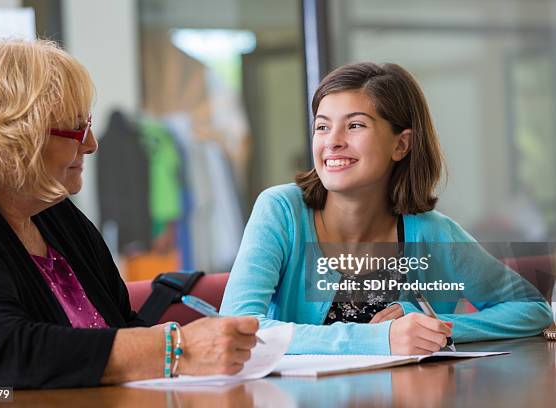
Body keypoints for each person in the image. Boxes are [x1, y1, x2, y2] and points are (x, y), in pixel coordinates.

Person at [0, 38, 258, 388]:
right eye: (76, 128)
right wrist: (176, 349)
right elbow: (4, 354)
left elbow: (123, 324)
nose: (91, 143)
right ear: (12, 135)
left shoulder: (58, 216)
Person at [220, 62, 553, 355]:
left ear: (401, 144)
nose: (332, 140)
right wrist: (379, 339)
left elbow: (531, 309)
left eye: (355, 125)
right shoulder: (280, 211)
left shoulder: (432, 231)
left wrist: (430, 326)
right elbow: (236, 328)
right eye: (322, 126)